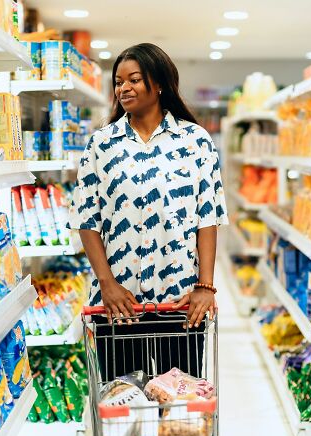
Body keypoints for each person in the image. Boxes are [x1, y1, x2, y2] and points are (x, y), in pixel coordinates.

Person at [69, 43, 228, 381]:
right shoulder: (101, 145)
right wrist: (107, 283)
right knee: (124, 406)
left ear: (158, 84)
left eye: (134, 80)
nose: (123, 88)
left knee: (178, 409)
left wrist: (206, 286)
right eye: (118, 81)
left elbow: (208, 217)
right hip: (117, 305)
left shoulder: (195, 141)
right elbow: (86, 219)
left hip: (180, 303)